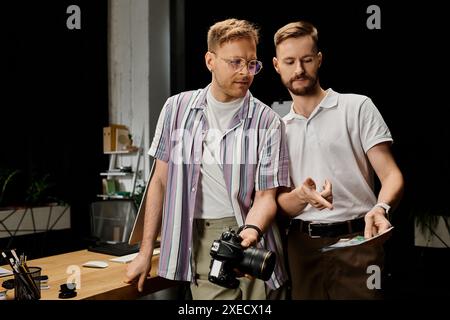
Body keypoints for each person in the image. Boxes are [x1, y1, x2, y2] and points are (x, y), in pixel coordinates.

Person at [125, 18, 290, 300]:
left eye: (251, 63)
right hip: (199, 237)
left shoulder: (269, 121)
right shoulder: (176, 109)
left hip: (254, 237)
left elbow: (266, 197)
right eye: (235, 62)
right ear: (210, 60)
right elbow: (160, 183)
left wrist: (249, 233)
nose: (245, 72)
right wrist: (145, 252)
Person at [273, 21, 404, 299]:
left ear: (319, 60)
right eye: (290, 61)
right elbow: (279, 204)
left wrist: (380, 208)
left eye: (307, 59)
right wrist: (302, 196)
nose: (299, 69)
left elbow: (391, 175)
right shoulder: (277, 129)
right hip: (301, 248)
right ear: (276, 65)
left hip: (358, 242)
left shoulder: (356, 107)